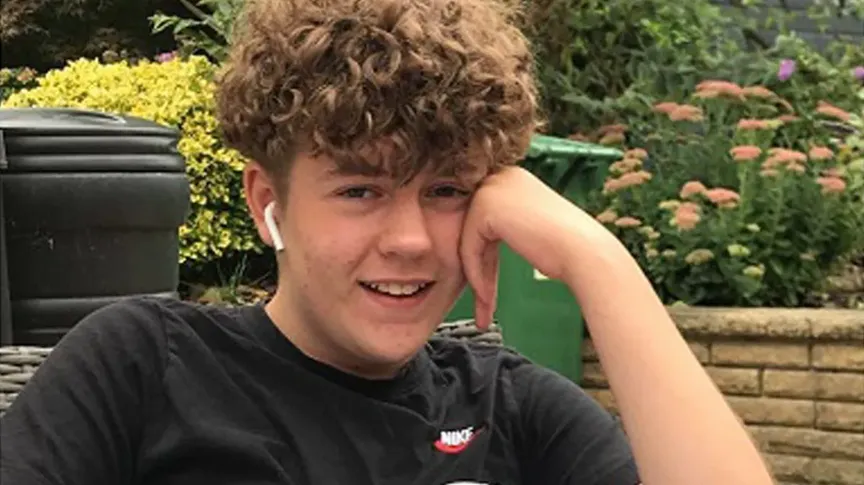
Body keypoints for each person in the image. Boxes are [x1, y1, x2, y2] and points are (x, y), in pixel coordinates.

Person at [1, 1, 775, 484]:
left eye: (446, 190)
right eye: (360, 190)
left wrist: (597, 260)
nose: (410, 240)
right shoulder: (143, 367)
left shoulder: (511, 408)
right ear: (268, 202)